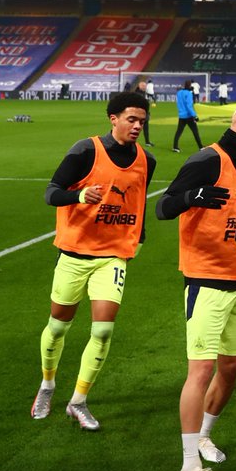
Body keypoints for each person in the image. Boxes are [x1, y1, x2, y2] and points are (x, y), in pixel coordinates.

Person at [156, 102, 236, 471]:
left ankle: (204, 436)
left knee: (232, 367)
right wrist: (192, 195)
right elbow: (162, 207)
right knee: (201, 369)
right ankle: (189, 466)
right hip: (207, 281)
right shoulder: (208, 159)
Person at [32, 92, 155, 431]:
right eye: (131, 119)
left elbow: (139, 202)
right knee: (59, 326)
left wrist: (139, 237)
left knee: (102, 330)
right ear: (113, 118)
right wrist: (79, 195)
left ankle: (78, 401)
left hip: (112, 256)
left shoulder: (146, 160)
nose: (137, 126)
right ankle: (47, 384)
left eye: (142, 121)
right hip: (74, 254)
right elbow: (51, 193)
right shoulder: (86, 151)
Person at [173, 80, 204, 153]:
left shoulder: (179, 93)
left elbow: (180, 100)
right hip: (189, 116)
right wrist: (194, 116)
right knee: (195, 131)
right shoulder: (189, 94)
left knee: (179, 131)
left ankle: (175, 147)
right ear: (190, 85)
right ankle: (201, 147)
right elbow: (189, 106)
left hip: (181, 115)